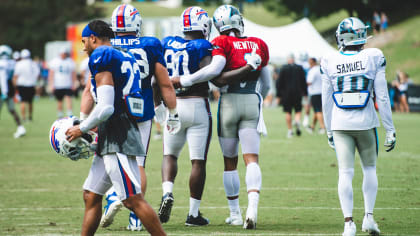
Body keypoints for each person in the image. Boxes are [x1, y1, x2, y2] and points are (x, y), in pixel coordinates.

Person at [171, 5, 269, 229]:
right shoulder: (259, 43)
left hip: (228, 104)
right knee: (251, 158)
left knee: (230, 162)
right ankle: (252, 209)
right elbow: (268, 83)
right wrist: (255, 96)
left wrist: (186, 80)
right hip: (252, 101)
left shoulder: (221, 43)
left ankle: (235, 214)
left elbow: (215, 73)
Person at [65, 20, 166, 236]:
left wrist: (82, 128)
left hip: (117, 131)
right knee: (91, 195)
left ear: (93, 38)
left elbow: (106, 108)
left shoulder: (102, 56)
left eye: (84, 41)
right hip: (120, 126)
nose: (83, 47)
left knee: (132, 199)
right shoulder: (123, 54)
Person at [94, 4, 178, 231]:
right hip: (140, 108)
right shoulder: (150, 44)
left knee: (110, 160)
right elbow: (164, 82)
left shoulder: (106, 44)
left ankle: (114, 195)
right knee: (137, 163)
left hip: (111, 108)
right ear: (137, 23)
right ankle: (135, 216)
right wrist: (173, 112)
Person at [321, 17, 396, 236]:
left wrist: (328, 129)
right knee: (369, 169)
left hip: (340, 122)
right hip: (366, 122)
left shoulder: (329, 59)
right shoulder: (373, 57)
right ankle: (369, 218)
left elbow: (326, 101)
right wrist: (389, 128)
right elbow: (382, 97)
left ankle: (348, 224)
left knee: (345, 172)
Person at [156, 6, 213, 226]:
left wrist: (157, 102)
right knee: (197, 161)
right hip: (197, 105)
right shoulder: (202, 45)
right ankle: (193, 214)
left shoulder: (168, 42)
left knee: (169, 155)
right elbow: (209, 71)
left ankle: (167, 192)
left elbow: (156, 75)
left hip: (173, 105)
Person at [276, 54, 307, 138]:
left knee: (288, 112)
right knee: (298, 110)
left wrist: (278, 95)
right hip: (298, 93)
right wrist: (305, 93)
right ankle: (297, 121)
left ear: (288, 59)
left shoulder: (283, 68)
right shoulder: (299, 68)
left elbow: (279, 82)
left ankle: (290, 131)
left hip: (286, 94)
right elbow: (303, 81)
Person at [0, 45, 26, 138]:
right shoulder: (12, 63)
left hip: (3, 90)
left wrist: (4, 92)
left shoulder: (2, 64)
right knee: (12, 110)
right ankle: (20, 127)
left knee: (11, 110)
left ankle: (20, 128)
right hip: (10, 89)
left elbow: (2, 79)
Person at [48, 47, 76, 118]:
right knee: (59, 100)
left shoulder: (70, 61)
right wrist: (51, 84)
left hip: (67, 84)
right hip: (58, 84)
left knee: (68, 99)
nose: (63, 55)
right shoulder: (55, 61)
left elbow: (73, 74)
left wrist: (73, 83)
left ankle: (70, 115)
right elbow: (51, 74)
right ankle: (60, 115)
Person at [13, 49, 39, 122]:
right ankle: (30, 117)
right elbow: (37, 74)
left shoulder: (19, 64)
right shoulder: (33, 63)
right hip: (31, 84)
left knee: (23, 101)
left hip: (22, 84)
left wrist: (15, 86)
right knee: (30, 102)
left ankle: (23, 118)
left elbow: (15, 76)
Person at [306, 57, 325, 134]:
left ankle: (322, 127)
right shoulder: (320, 69)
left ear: (313, 62)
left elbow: (309, 82)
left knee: (318, 110)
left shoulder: (312, 71)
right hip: (321, 91)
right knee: (316, 111)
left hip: (314, 92)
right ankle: (312, 126)